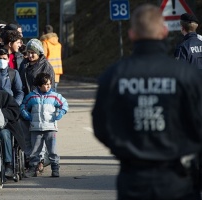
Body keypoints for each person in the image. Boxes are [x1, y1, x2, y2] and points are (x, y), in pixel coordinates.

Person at [92, 4, 202, 200]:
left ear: (132, 34)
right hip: (177, 178)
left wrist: (125, 151)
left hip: (133, 177)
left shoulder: (115, 75)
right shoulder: (186, 74)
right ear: (165, 32)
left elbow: (101, 125)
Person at [20, 73, 68, 178]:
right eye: (45, 85)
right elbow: (23, 105)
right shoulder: (32, 96)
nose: (47, 87)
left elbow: (64, 104)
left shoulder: (54, 96)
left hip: (50, 128)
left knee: (52, 150)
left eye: (49, 84)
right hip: (36, 128)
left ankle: (55, 168)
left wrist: (61, 112)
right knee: (35, 150)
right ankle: (33, 168)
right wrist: (25, 114)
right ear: (39, 85)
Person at [19, 38, 55, 172]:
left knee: (40, 134)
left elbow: (51, 88)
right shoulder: (24, 65)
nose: (30, 55)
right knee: (26, 134)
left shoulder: (46, 66)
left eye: (33, 52)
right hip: (27, 103)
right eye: (28, 52)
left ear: (39, 52)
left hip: (41, 105)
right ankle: (30, 158)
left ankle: (40, 160)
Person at [40, 25, 63, 90]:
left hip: (48, 70)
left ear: (43, 33)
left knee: (49, 93)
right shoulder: (58, 44)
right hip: (57, 71)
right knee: (54, 91)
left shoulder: (45, 42)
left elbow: (43, 57)